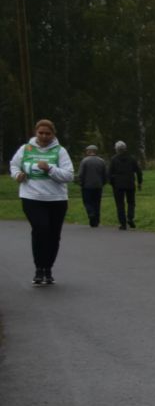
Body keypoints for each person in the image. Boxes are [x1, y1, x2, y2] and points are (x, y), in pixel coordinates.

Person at [10, 119, 73, 286]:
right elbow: (14, 165)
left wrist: (50, 169)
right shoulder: (25, 149)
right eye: (41, 133)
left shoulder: (60, 151)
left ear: (53, 135)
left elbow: (69, 175)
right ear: (35, 133)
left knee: (53, 235)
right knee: (40, 229)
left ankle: (48, 269)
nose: (44, 136)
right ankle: (39, 268)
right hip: (32, 197)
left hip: (56, 199)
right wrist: (17, 175)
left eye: (48, 133)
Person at [107, 140, 142, 229]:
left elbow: (109, 173)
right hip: (130, 183)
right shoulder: (132, 158)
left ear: (116, 149)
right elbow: (138, 171)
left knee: (120, 204)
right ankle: (130, 217)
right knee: (131, 202)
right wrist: (139, 182)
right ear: (125, 148)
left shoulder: (114, 159)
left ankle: (123, 223)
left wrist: (111, 182)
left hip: (118, 185)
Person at [76, 144, 108, 228]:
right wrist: (103, 183)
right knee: (97, 203)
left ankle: (91, 213)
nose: (86, 152)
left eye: (87, 150)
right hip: (98, 186)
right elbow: (105, 174)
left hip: (87, 186)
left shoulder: (85, 161)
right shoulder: (102, 161)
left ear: (90, 151)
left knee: (87, 202)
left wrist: (80, 183)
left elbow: (81, 174)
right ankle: (96, 221)